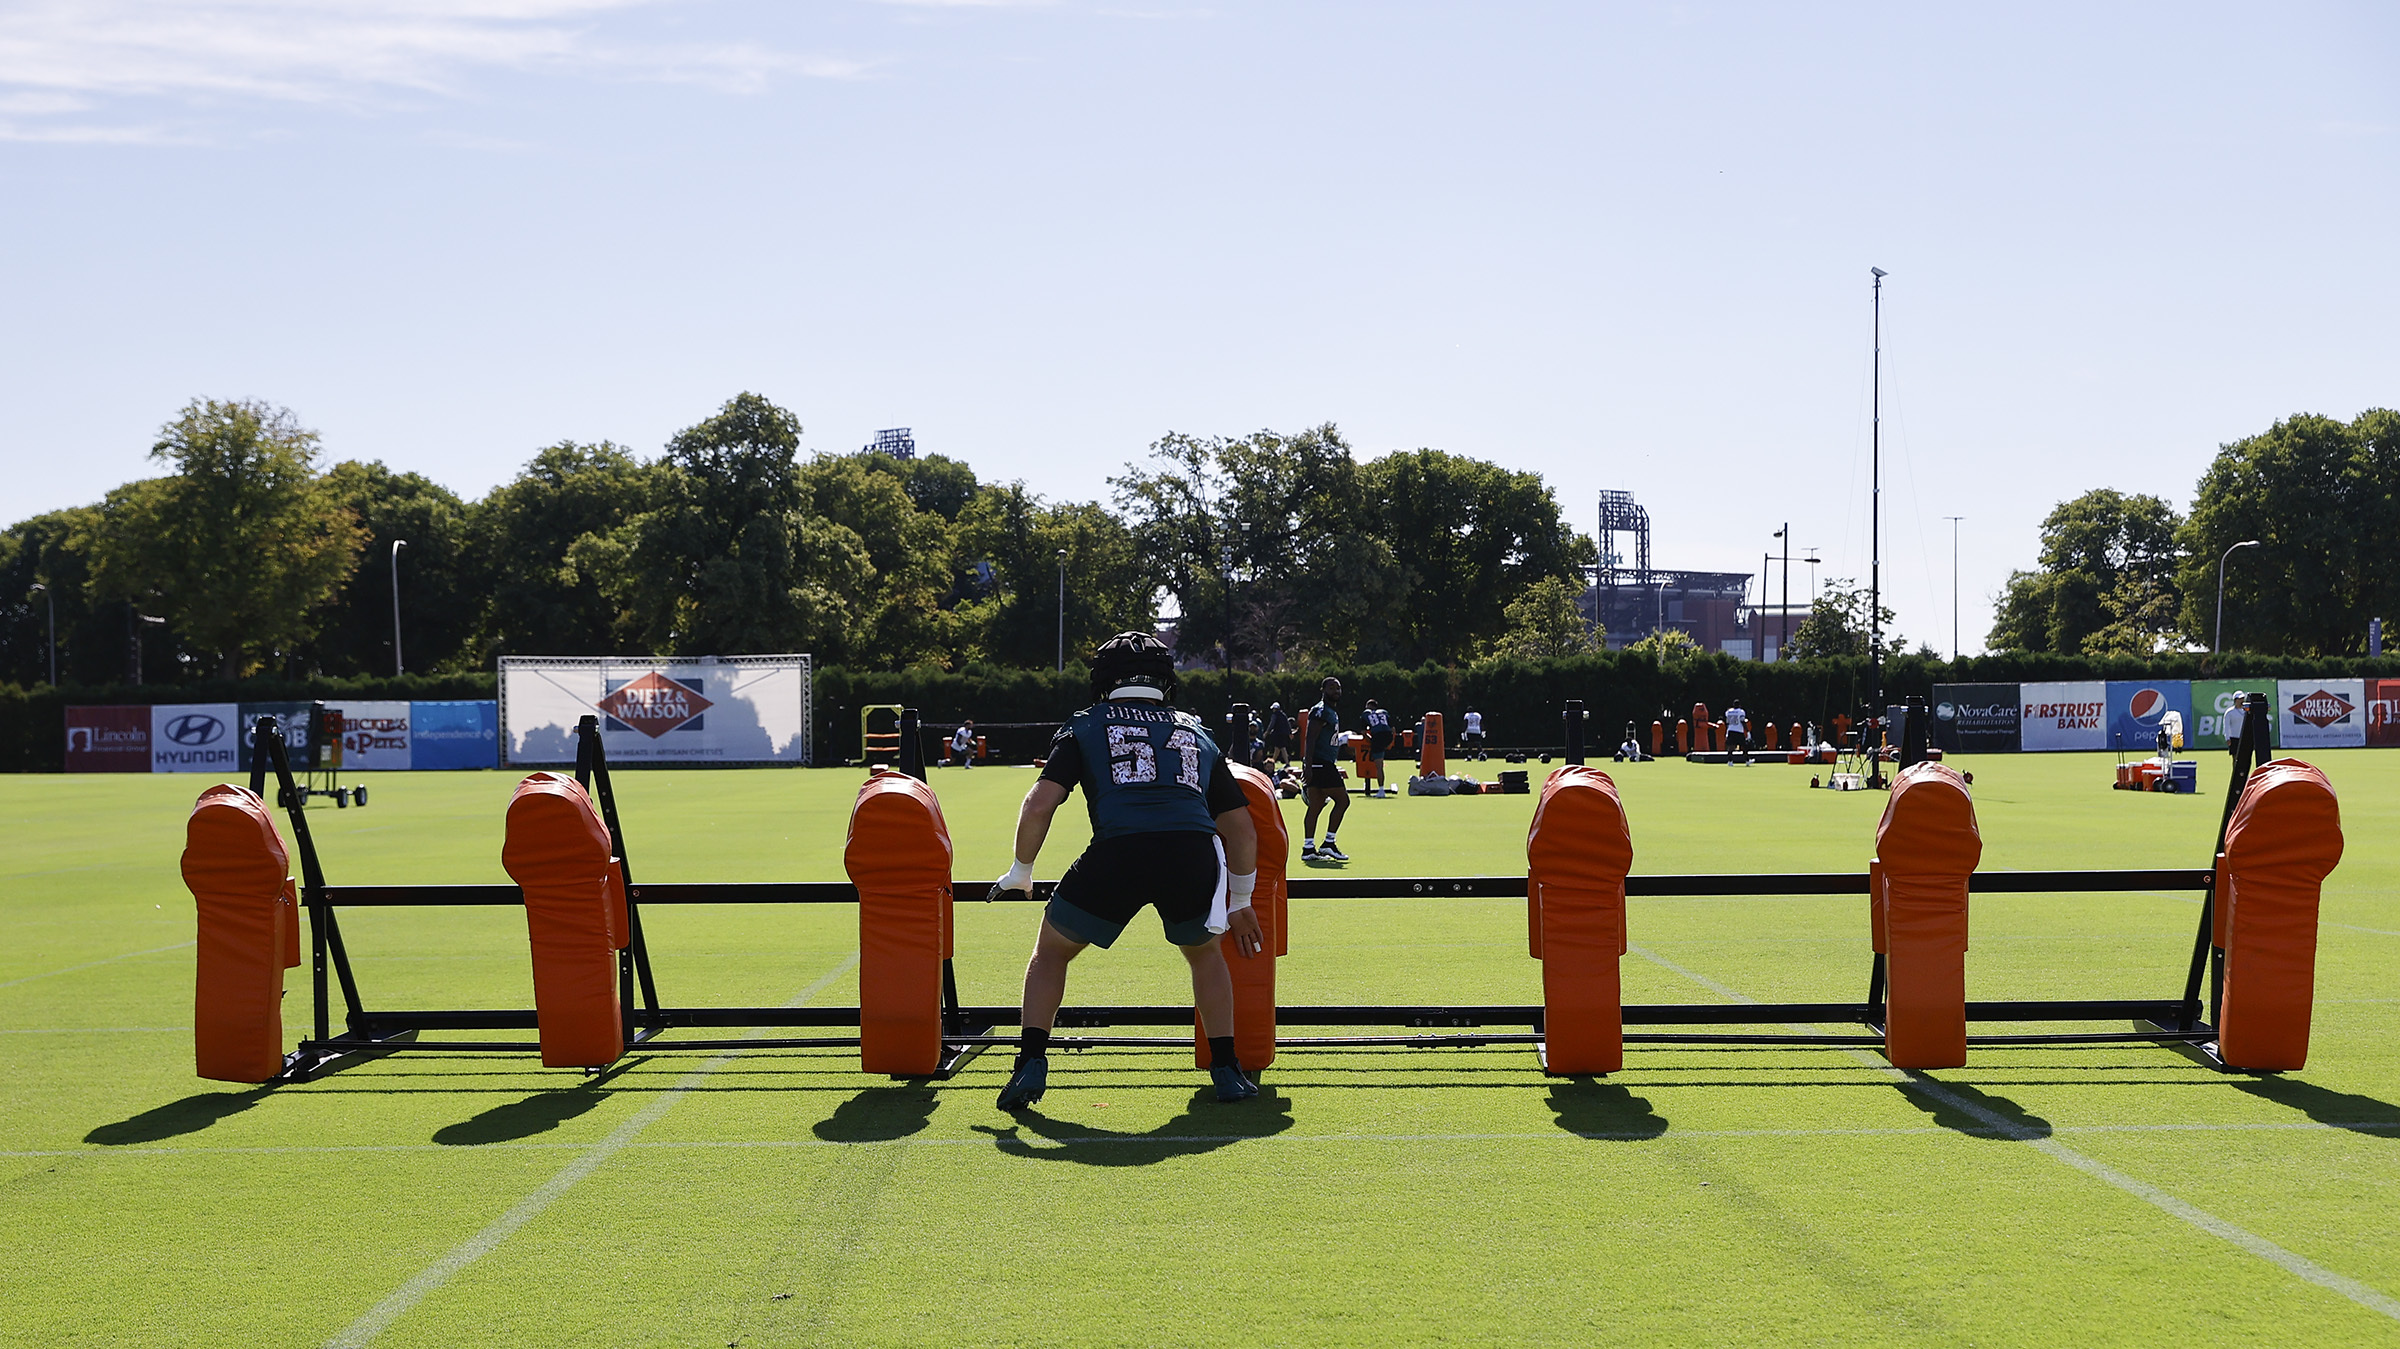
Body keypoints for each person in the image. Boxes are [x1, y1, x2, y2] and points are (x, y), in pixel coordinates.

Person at [987, 632, 1265, 1110]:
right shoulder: (1196, 731)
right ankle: (1227, 1069)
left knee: (1051, 953)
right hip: (1191, 853)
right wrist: (1239, 900)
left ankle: (1030, 1062)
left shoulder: (1086, 724)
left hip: (1119, 851)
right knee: (1205, 957)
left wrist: (1021, 868)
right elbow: (1240, 826)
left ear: (1103, 679)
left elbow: (1039, 804)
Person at [1301, 677, 1351, 861]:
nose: (1336, 691)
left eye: (1338, 688)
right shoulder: (1321, 710)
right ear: (1323, 689)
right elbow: (1310, 738)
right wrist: (1307, 765)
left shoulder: (1330, 711)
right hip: (1321, 763)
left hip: (1321, 762)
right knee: (1343, 801)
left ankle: (1308, 848)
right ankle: (1329, 843)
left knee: (1316, 805)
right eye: (1332, 687)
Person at [1361, 698, 1394, 797]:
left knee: (1379, 766)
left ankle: (1381, 790)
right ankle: (1381, 789)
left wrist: (1372, 741)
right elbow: (1393, 729)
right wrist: (1390, 742)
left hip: (1378, 736)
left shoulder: (1366, 714)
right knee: (1380, 764)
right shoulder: (1383, 712)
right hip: (1388, 735)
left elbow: (1363, 732)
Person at [1263, 702, 1293, 767]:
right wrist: (1290, 733)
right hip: (1284, 734)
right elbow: (1287, 724)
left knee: (1282, 748)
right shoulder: (1283, 715)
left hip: (1278, 734)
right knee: (1277, 748)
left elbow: (1272, 724)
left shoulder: (1275, 715)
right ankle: (1272, 761)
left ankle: (1286, 763)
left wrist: (1267, 732)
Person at [1724, 700, 1749, 766]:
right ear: (1739, 705)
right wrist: (1747, 731)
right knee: (1744, 747)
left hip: (1730, 730)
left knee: (1730, 747)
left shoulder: (1728, 712)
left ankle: (1730, 761)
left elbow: (1727, 722)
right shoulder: (1741, 712)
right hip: (1739, 731)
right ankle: (1747, 760)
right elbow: (1742, 721)